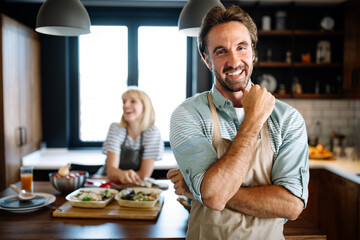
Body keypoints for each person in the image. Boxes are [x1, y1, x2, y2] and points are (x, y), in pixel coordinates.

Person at [167, 5, 309, 239]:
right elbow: (212, 196)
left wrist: (201, 190)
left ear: (253, 51)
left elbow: (291, 205)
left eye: (241, 47)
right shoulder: (188, 115)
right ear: (207, 59)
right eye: (221, 51)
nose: (234, 61)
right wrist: (253, 119)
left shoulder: (287, 119)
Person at [100, 88, 164, 184]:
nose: (125, 105)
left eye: (133, 101)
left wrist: (122, 175)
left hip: (135, 186)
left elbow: (144, 175)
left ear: (145, 107)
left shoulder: (152, 132)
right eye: (124, 102)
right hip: (108, 184)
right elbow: (111, 172)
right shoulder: (116, 128)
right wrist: (124, 175)